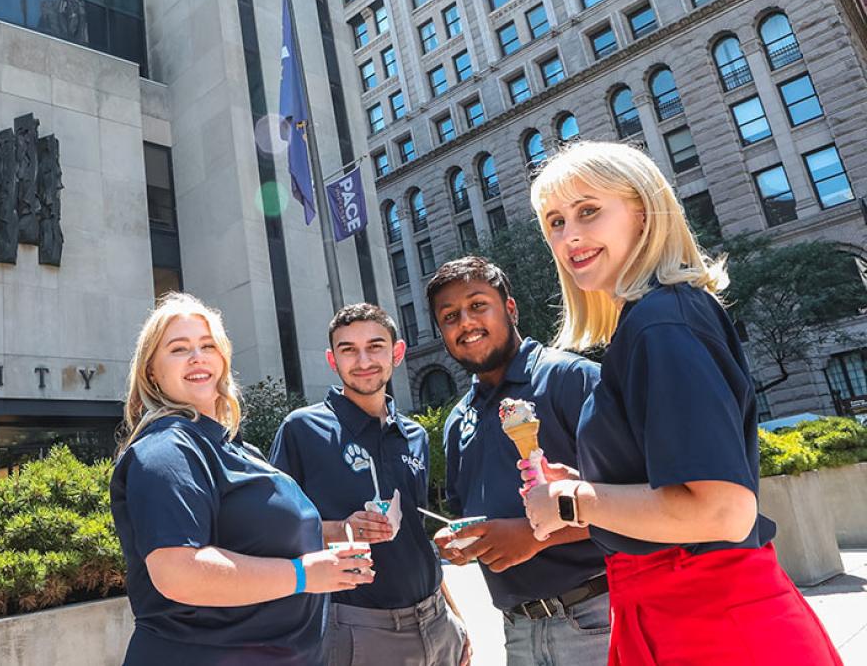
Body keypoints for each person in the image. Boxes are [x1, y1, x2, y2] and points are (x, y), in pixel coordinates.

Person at [521, 140, 842, 665]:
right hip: (678, 619)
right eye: (555, 221)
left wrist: (571, 500)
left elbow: (723, 511)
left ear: (644, 214)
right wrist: (584, 491)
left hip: (714, 628)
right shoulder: (651, 321)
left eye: (588, 211)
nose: (570, 235)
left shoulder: (663, 322)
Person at [110, 292, 373, 666]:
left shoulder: (235, 448)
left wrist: (332, 545)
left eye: (207, 345)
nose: (197, 356)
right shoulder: (166, 449)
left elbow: (254, 542)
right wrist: (303, 575)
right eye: (179, 348)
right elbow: (177, 572)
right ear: (152, 370)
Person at [426, 257, 610, 666]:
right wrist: (464, 543)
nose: (466, 323)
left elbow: (642, 499)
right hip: (517, 631)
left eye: (478, 305)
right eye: (450, 316)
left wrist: (534, 535)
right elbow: (473, 516)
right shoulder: (458, 421)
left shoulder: (572, 378)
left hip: (598, 618)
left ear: (510, 309)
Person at [270, 303, 471, 666]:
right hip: (357, 630)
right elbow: (271, 532)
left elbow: (415, 535)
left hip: (436, 621)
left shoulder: (414, 435)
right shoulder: (301, 430)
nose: (363, 360)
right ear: (333, 361)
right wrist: (339, 529)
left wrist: (454, 616)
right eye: (349, 349)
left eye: (375, 346)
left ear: (397, 353)